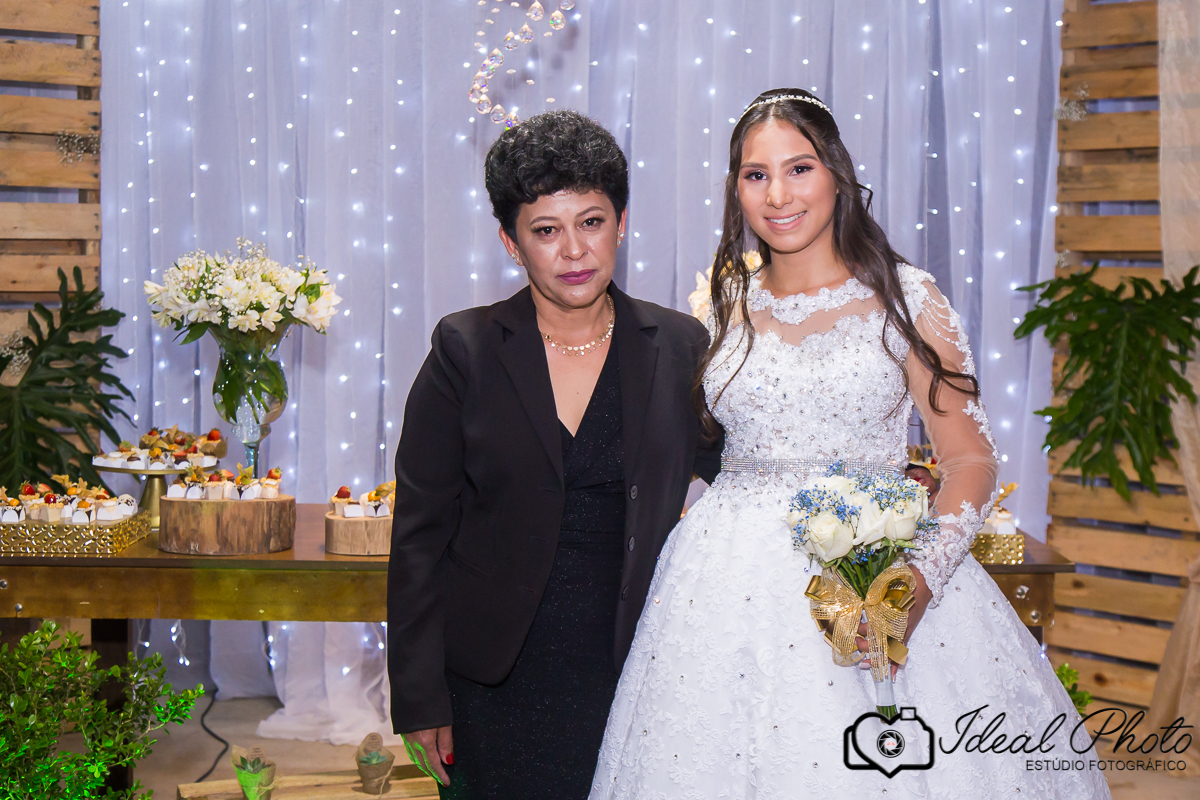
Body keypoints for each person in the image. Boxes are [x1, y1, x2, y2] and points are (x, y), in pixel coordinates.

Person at [589, 90, 1111, 798]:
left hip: (875, 561)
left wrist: (917, 580)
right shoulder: (718, 305)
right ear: (736, 188)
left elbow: (969, 458)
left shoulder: (907, 298)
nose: (777, 195)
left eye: (799, 168)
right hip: (724, 585)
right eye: (756, 175)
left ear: (837, 172)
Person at [387, 109, 723, 800]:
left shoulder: (680, 345)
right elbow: (419, 536)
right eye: (546, 230)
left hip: (637, 667)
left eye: (591, 222)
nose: (574, 250)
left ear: (621, 222)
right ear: (511, 243)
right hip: (493, 683)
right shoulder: (464, 349)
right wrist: (419, 698)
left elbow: (741, 481)